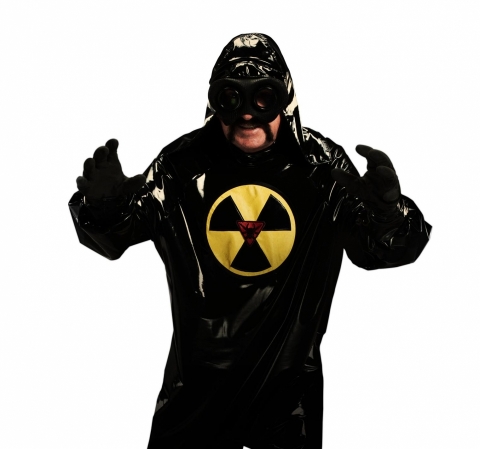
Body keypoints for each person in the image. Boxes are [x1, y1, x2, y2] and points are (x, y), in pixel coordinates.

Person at [69, 33, 431, 449]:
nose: (246, 113)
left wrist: (387, 214)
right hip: (195, 398)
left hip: (287, 402)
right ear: (214, 102)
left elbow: (381, 249)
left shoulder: (320, 166)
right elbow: (116, 235)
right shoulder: (183, 165)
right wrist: (104, 207)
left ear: (285, 100)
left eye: (263, 97)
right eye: (231, 96)